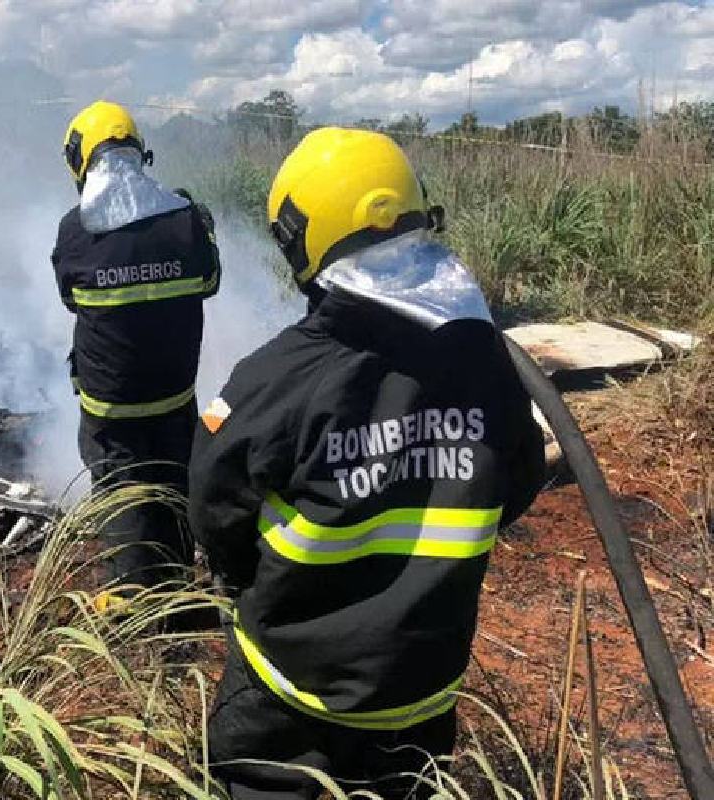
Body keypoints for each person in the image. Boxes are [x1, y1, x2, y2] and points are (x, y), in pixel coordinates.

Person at [189, 128, 545, 799]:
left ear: (303, 241)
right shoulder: (486, 362)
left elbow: (215, 505)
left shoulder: (279, 377)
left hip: (289, 694)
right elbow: (518, 479)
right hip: (419, 697)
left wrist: (245, 579)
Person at [51, 100, 221, 591]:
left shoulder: (75, 231)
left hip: (110, 408)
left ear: (82, 161)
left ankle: (131, 604)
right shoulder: (186, 221)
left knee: (122, 495)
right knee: (172, 484)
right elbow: (210, 282)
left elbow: (70, 299)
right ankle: (177, 587)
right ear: (139, 153)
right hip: (174, 397)